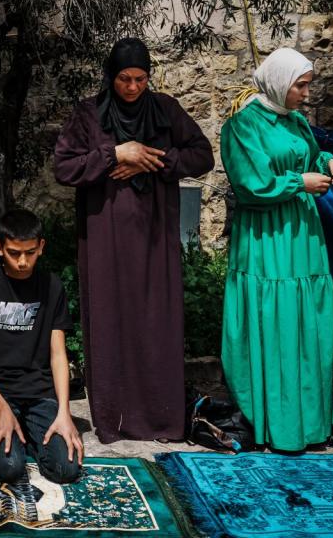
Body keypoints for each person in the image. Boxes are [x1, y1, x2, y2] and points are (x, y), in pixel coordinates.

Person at [53, 37, 215, 443]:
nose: (132, 88)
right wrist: (114, 155)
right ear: (111, 77)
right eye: (124, 79)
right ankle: (115, 420)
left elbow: (202, 155)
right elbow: (64, 167)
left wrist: (154, 158)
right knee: (111, 317)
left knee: (156, 319)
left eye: (141, 79)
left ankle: (160, 419)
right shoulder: (89, 115)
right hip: (106, 236)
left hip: (155, 235)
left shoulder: (165, 110)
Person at [220, 47, 333, 451]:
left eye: (307, 85)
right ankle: (271, 423)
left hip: (302, 236)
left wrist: (328, 162)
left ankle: (309, 424)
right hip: (265, 237)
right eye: (301, 85)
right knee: (271, 319)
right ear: (278, 81)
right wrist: (300, 183)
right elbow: (251, 184)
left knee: (303, 320)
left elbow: (308, 155)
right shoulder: (242, 126)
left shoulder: (296, 121)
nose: (306, 94)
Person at [0, 208, 83, 484]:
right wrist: (0, 409)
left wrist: (65, 413)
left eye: (29, 252)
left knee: (66, 470)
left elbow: (58, 355)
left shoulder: (52, 287)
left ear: (41, 247)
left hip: (40, 392)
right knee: (10, 469)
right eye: (14, 252)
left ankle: (29, 433)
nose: (22, 261)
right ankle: (3, 424)